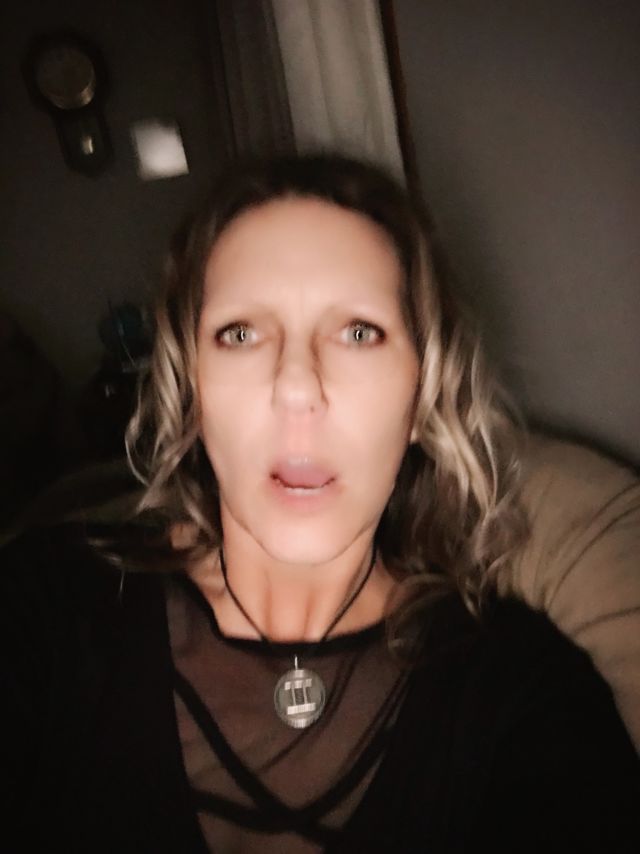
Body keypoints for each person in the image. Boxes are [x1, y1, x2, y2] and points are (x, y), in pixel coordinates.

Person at [3, 154, 638, 853]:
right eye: (241, 333)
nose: (297, 387)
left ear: (422, 394)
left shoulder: (520, 695)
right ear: (192, 390)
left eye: (359, 332)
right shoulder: (44, 609)